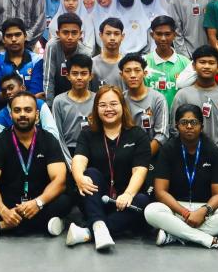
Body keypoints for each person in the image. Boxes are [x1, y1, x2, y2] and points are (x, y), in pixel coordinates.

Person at [143, 103, 218, 252]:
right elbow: (160, 192)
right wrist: (185, 213)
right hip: (176, 209)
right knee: (151, 210)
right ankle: (213, 241)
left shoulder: (212, 150)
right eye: (184, 122)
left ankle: (175, 234)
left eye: (194, 122)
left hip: (204, 211)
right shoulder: (168, 150)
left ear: (201, 126)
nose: (189, 126)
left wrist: (203, 211)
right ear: (177, 126)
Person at [0, 91, 71, 241]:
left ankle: (1, 226)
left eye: (28, 110)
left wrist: (38, 203)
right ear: (11, 115)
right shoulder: (0, 141)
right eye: (17, 110)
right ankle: (45, 225)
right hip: (10, 201)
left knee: (65, 201)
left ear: (37, 115)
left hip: (41, 199)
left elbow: (60, 181)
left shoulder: (49, 140)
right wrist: (4, 210)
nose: (22, 114)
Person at [67, 85, 152, 250]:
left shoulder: (137, 134)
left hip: (124, 202)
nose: (109, 109)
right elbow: (78, 160)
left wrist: (128, 194)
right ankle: (99, 226)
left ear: (122, 106)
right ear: (96, 108)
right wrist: (79, 178)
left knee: (142, 201)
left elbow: (140, 171)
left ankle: (90, 232)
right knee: (90, 173)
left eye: (114, 104)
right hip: (96, 200)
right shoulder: (87, 134)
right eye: (103, 105)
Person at [169, 47, 218, 163]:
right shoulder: (182, 95)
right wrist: (191, 154)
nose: (207, 66)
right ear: (194, 66)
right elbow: (174, 129)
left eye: (211, 63)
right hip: (187, 158)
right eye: (202, 62)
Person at [119, 54, 168, 156]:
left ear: (145, 73)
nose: (132, 75)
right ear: (121, 75)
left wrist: (142, 158)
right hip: (124, 152)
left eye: (137, 70)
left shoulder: (158, 99)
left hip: (151, 154)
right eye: (128, 71)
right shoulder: (120, 99)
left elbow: (161, 135)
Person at [0, 17, 44, 101]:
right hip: (3, 111)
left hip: (29, 110)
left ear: (25, 36)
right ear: (3, 39)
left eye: (17, 35)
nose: (13, 39)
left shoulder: (37, 60)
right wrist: (30, 97)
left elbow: (36, 90)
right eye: (9, 36)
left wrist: (9, 94)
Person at [38, 11, 91, 101]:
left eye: (74, 33)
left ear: (80, 34)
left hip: (76, 95)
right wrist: (50, 106)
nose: (70, 37)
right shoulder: (52, 46)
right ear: (58, 33)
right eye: (65, 32)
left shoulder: (85, 52)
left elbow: (85, 83)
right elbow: (48, 79)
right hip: (54, 92)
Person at [51, 54, 96, 156]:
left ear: (91, 76)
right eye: (75, 73)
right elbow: (57, 134)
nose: (79, 77)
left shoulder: (98, 100)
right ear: (68, 76)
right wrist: (68, 160)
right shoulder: (59, 101)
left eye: (84, 73)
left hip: (93, 148)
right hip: (68, 149)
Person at [143, 15, 191, 112]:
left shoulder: (185, 63)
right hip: (151, 119)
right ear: (152, 35)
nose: (163, 38)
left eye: (167, 34)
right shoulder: (143, 62)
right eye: (159, 34)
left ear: (174, 35)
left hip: (178, 120)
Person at [0, 73, 61, 137]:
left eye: (11, 88)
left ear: (23, 88)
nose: (7, 92)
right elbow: (2, 144)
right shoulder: (1, 116)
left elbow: (53, 134)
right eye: (4, 91)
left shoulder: (39, 104)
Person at [92, 18, 126, 87]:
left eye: (116, 34)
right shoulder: (92, 64)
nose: (112, 38)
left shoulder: (128, 63)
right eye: (108, 33)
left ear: (122, 37)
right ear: (101, 35)